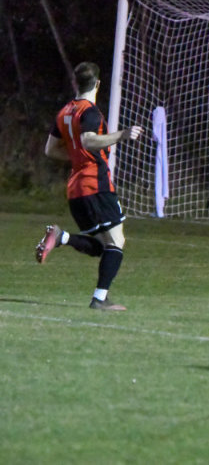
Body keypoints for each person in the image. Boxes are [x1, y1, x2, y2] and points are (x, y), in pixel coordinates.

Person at [35, 61, 143, 311]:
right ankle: (99, 299)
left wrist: (77, 157)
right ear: (98, 84)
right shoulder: (90, 112)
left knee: (104, 247)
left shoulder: (64, 112)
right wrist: (122, 134)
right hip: (96, 185)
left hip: (76, 189)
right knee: (115, 243)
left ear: (75, 83)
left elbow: (50, 150)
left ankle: (61, 237)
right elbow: (89, 140)